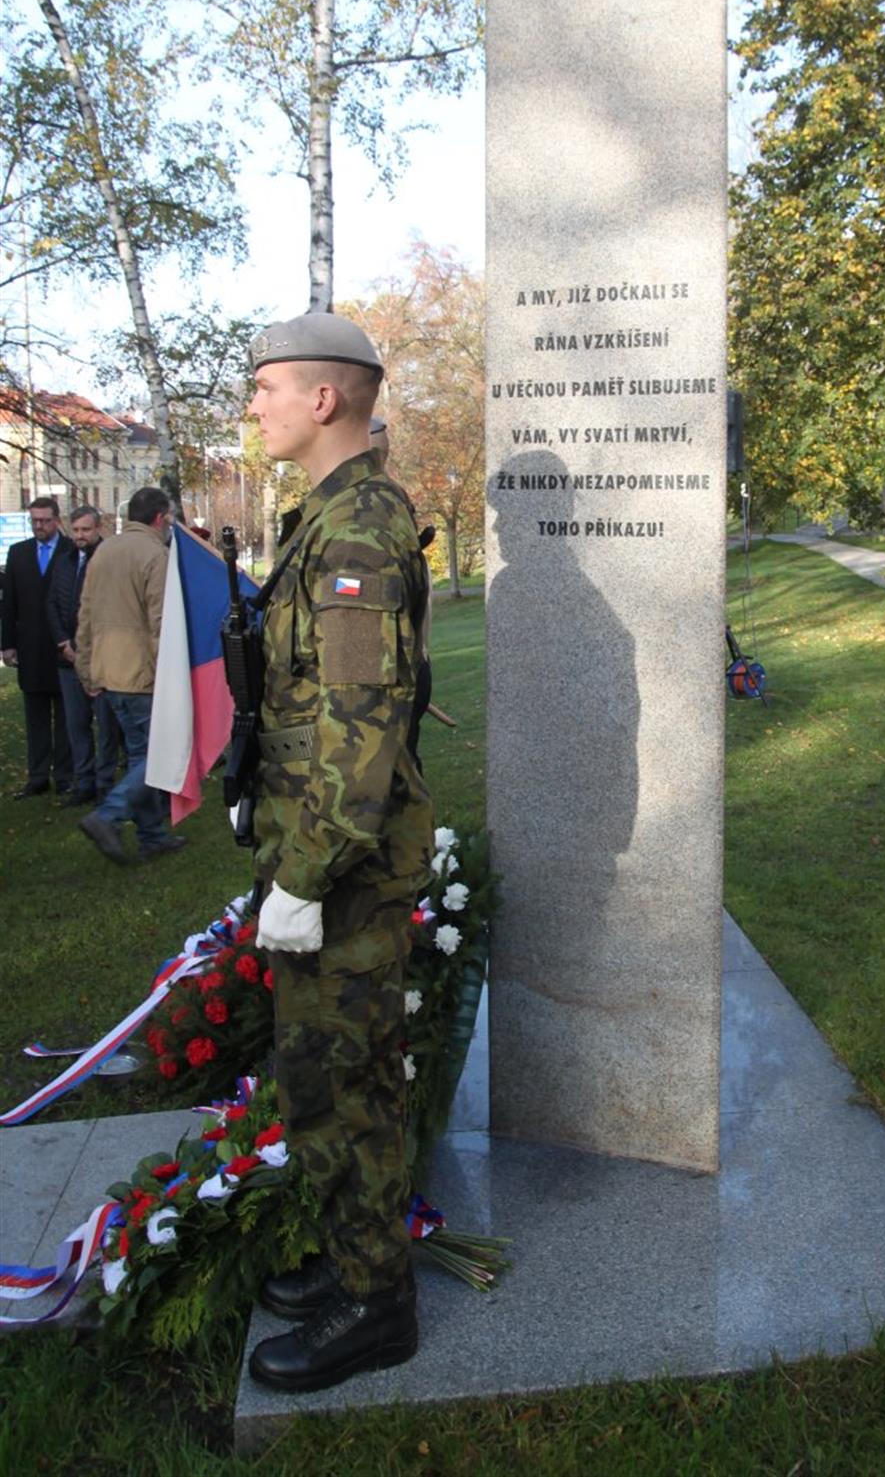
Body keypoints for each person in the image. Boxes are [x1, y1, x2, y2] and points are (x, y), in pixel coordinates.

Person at [246, 313, 433, 1394]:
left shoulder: (357, 526)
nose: (255, 405)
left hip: (342, 872)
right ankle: (355, 1258)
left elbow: (362, 729)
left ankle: (377, 1306)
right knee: (321, 1073)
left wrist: (304, 877)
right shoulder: (326, 514)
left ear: (324, 399)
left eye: (266, 387)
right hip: (318, 856)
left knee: (348, 1082)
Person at [74, 486, 185, 864]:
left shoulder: (104, 551)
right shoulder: (156, 555)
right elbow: (161, 623)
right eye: (169, 518)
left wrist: (86, 668)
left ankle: (152, 835)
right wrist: (171, 677)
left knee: (141, 754)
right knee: (159, 757)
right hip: (143, 675)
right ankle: (108, 815)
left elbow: (85, 615)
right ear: (160, 518)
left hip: (108, 671)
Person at [46, 504, 122, 807]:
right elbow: (52, 603)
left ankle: (105, 784)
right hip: (68, 660)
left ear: (98, 528)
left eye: (86, 530)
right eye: (76, 530)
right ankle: (84, 782)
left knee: (106, 727)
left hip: (100, 660)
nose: (80, 535)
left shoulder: (109, 560)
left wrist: (87, 649)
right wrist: (63, 643)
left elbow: (111, 609)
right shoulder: (64, 561)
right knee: (76, 725)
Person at [1, 495, 75, 797]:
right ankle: (38, 776)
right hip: (30, 648)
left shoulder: (71, 550)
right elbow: (9, 603)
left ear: (56, 520)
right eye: (34, 521)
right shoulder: (18, 553)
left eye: (45, 520)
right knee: (36, 716)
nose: (39, 526)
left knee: (66, 715)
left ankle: (65, 775)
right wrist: (7, 644)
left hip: (63, 646)